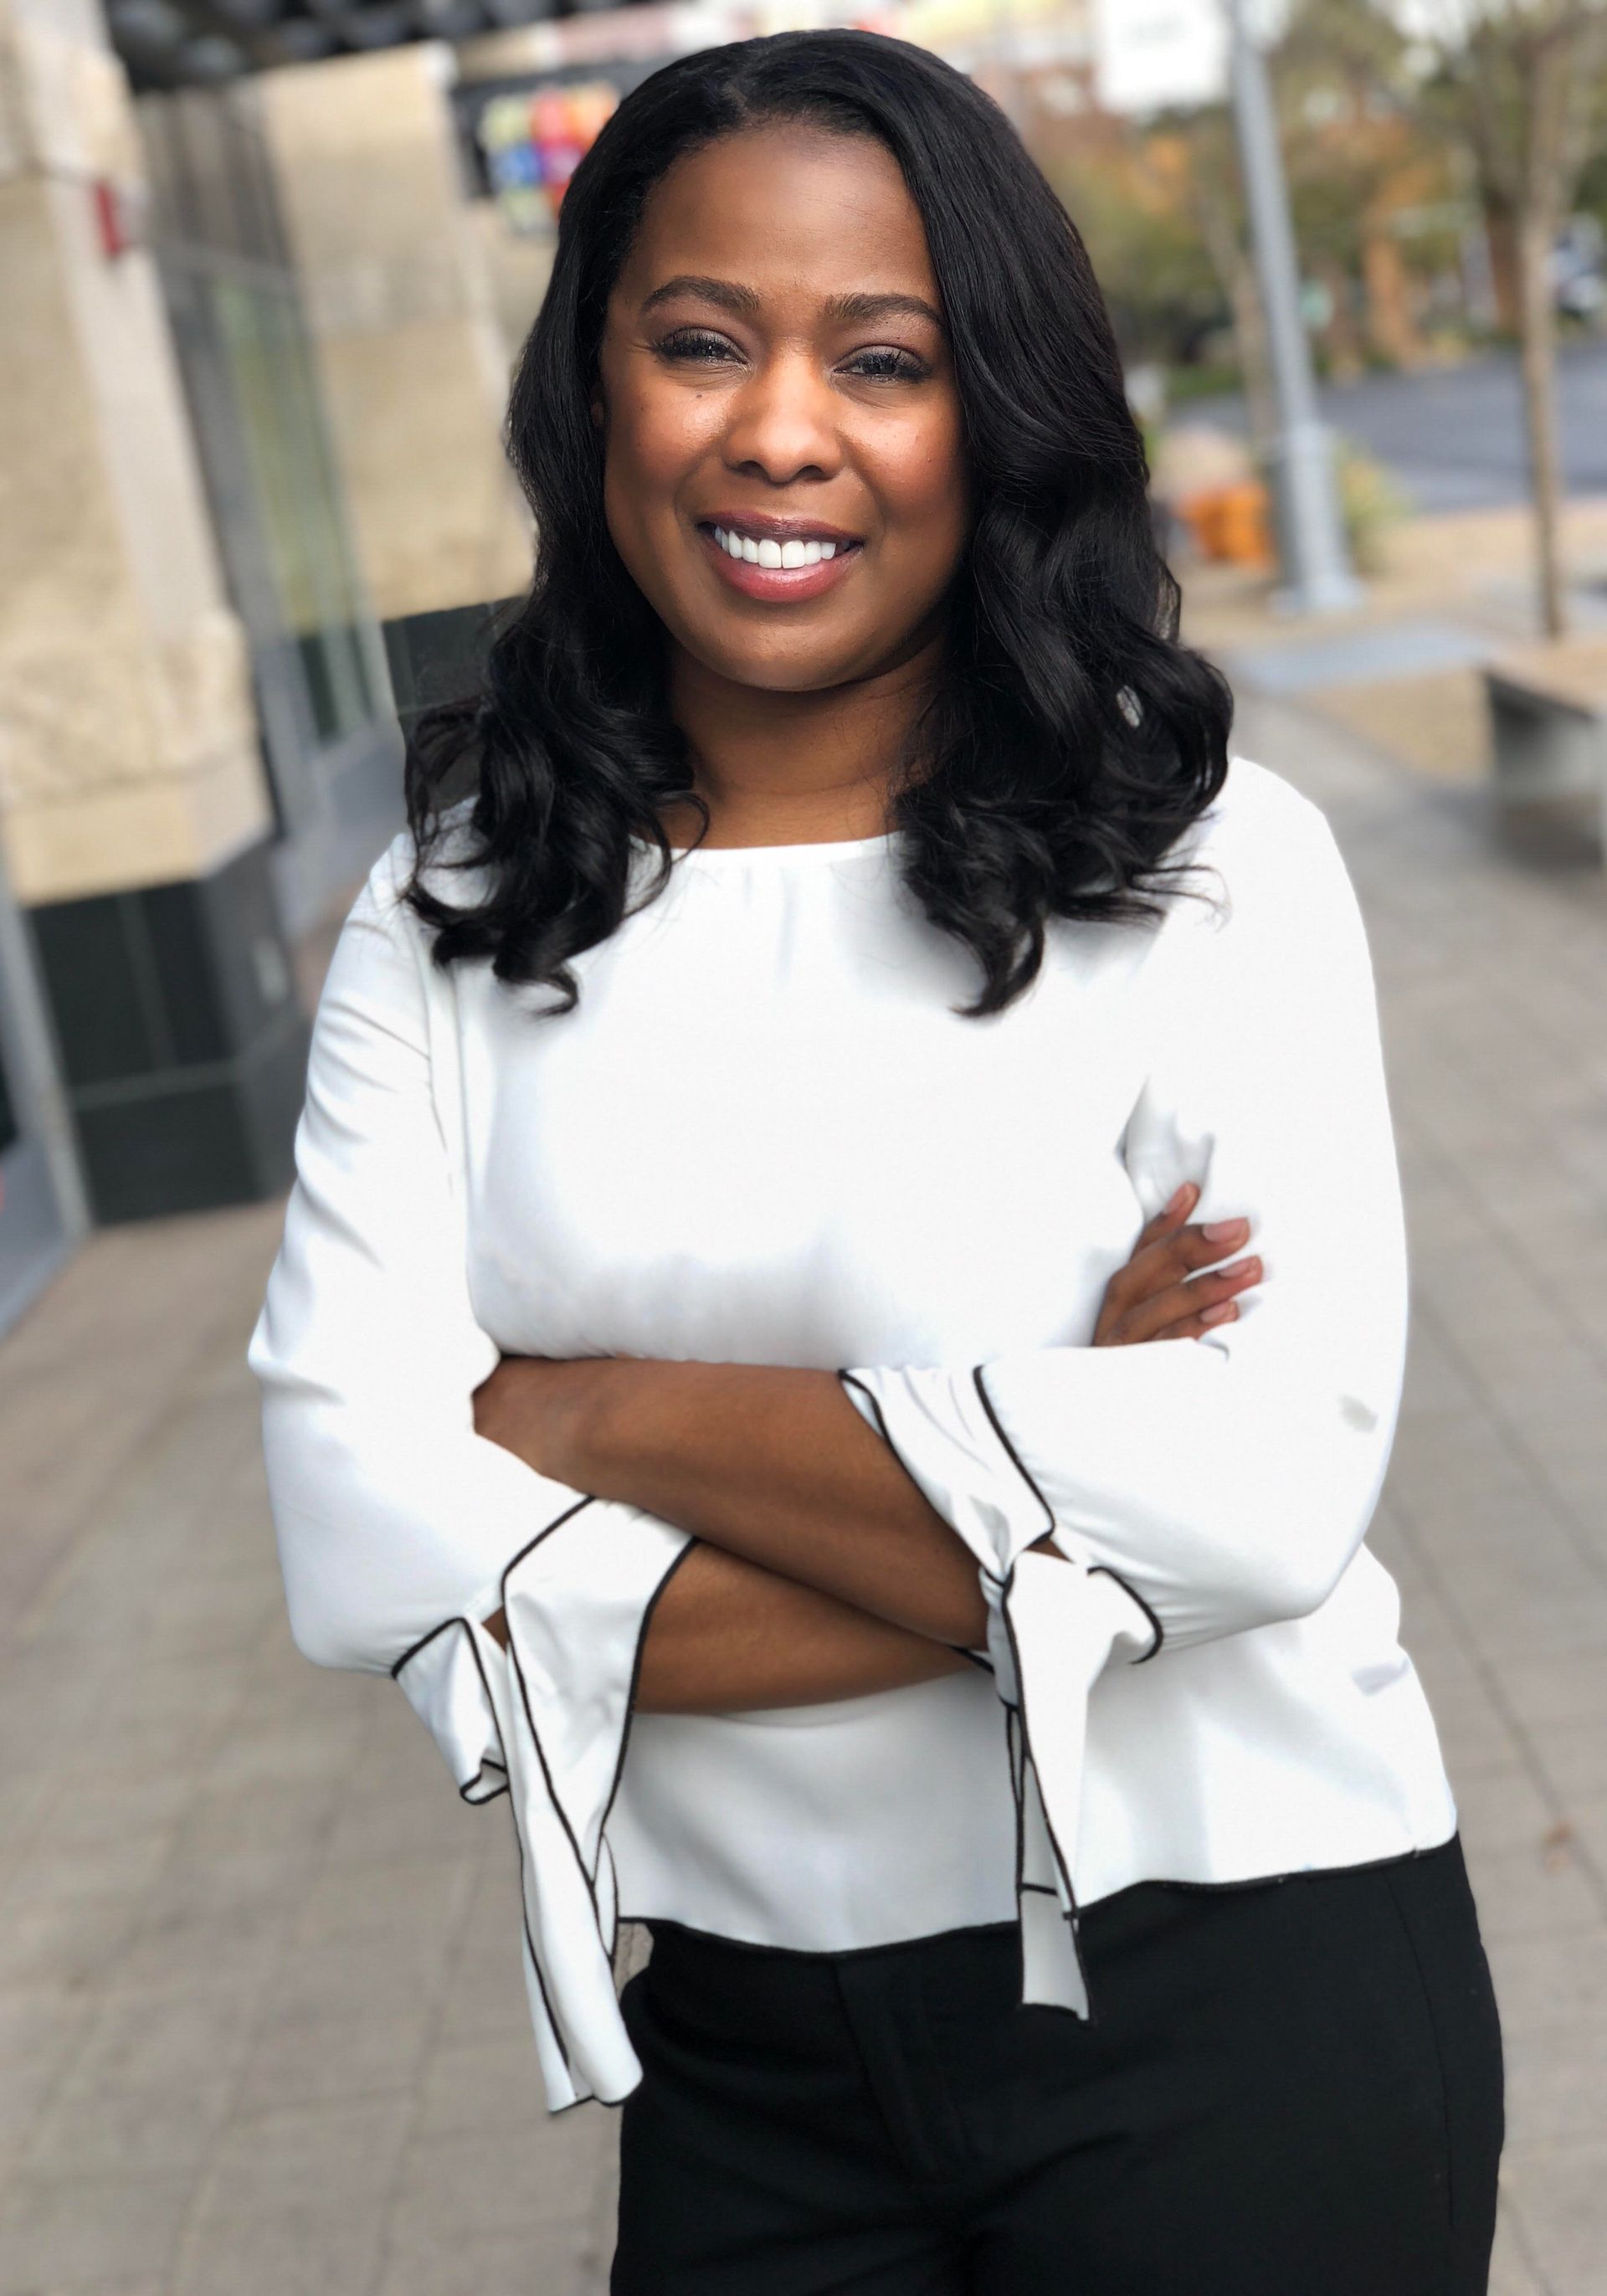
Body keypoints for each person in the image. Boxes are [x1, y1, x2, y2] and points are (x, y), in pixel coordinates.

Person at [247, 30, 1503, 2293]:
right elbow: (368, 1555)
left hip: (1237, 1986)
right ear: (596, 385)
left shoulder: (1205, 866)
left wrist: (580, 1415)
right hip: (744, 2059)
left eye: (883, 358)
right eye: (699, 341)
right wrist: (1045, 1496)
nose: (781, 430)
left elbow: (1258, 1502)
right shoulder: (453, 908)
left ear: (989, 412)